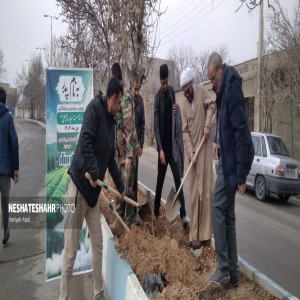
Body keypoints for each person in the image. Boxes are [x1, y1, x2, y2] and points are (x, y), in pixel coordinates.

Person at [59, 77, 125, 300]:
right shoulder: (94, 109)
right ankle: (64, 297)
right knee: (70, 252)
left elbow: (111, 159)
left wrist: (121, 184)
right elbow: (85, 141)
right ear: (114, 98)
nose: (120, 107)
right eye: (119, 103)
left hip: (93, 196)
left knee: (98, 244)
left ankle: (98, 293)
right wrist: (94, 171)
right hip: (78, 190)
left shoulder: (112, 122)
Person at [207, 52, 254, 287]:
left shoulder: (231, 90)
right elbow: (225, 128)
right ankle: (232, 275)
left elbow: (242, 133)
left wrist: (242, 174)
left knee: (216, 207)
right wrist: (217, 141)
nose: (212, 83)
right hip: (226, 158)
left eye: (212, 77)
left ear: (220, 69)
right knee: (228, 215)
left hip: (231, 164)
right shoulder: (223, 93)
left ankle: (224, 268)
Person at [180, 67, 216, 249]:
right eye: (183, 89)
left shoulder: (201, 90)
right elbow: (184, 131)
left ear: (191, 84)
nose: (186, 92)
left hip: (205, 149)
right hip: (193, 153)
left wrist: (207, 124)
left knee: (206, 192)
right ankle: (195, 234)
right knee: (194, 195)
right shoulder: (183, 104)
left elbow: (212, 105)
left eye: (187, 88)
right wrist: (190, 152)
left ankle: (205, 234)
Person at [154, 64, 188, 230]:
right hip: (162, 150)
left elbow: (177, 118)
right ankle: (154, 215)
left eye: (166, 82)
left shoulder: (173, 93)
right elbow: (156, 126)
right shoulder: (157, 98)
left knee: (178, 181)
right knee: (159, 183)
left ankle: (183, 216)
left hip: (172, 149)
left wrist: (177, 110)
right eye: (162, 83)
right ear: (160, 82)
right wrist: (160, 149)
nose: (165, 86)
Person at [115, 72, 142, 225]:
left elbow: (133, 127)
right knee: (128, 184)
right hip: (125, 150)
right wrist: (130, 156)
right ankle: (129, 217)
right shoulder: (126, 101)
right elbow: (128, 129)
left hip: (127, 148)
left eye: (139, 89)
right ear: (131, 86)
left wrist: (137, 145)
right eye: (135, 89)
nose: (137, 93)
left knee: (126, 183)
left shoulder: (130, 100)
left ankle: (124, 214)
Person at [0, 86, 19, 247]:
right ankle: (5, 233)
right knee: (5, 203)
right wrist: (16, 168)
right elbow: (14, 142)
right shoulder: (7, 116)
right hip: (5, 171)